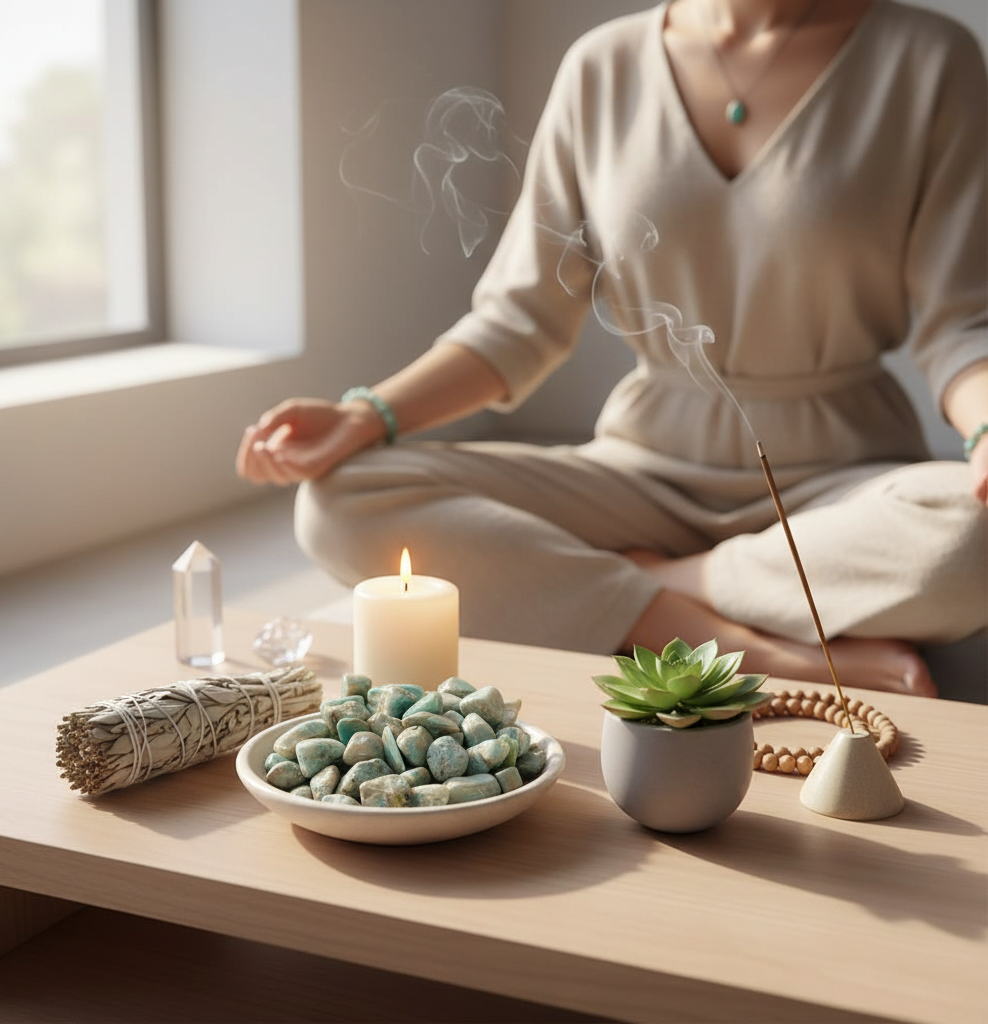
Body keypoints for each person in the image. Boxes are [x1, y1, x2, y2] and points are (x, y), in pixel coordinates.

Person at [237, 0, 987, 697]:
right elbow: (518, 321)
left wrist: (986, 430)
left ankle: (661, 584)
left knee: (973, 533)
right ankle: (725, 642)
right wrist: (365, 416)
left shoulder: (927, 58)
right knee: (339, 501)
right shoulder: (602, 66)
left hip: (843, 483)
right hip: (636, 479)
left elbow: (965, 324)